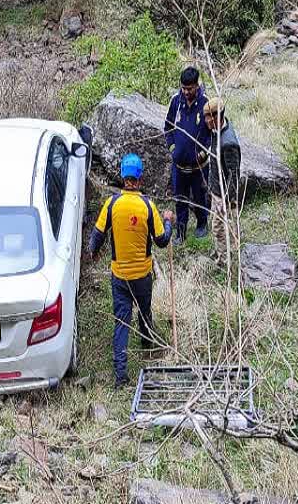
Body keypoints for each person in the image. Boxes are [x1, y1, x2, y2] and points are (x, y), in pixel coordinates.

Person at [88, 154, 175, 387]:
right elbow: (161, 241)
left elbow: (97, 236)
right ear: (139, 177)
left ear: (123, 176)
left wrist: (93, 252)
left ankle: (120, 377)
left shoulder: (112, 204)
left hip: (120, 277)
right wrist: (168, 221)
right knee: (144, 312)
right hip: (143, 276)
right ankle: (147, 348)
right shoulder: (148, 205)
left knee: (121, 323)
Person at [163, 66, 210, 243]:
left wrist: (203, 154)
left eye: (189, 88)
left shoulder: (205, 103)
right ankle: (180, 232)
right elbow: (167, 127)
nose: (186, 91)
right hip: (179, 165)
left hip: (199, 166)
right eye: (183, 88)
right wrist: (173, 149)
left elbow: (211, 133)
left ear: (197, 86)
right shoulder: (176, 101)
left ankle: (202, 224)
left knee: (199, 196)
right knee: (180, 199)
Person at [202, 98, 243, 207]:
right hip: (216, 192)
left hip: (223, 200)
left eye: (208, 117)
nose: (205, 120)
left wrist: (225, 202)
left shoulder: (228, 144)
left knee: (219, 225)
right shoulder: (216, 130)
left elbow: (233, 176)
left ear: (217, 117)